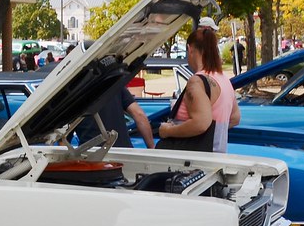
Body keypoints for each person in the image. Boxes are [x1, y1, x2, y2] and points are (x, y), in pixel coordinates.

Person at [158, 24, 240, 152]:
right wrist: (214, 134)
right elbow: (235, 118)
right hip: (218, 157)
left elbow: (201, 123)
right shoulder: (224, 79)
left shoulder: (196, 82)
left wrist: (167, 131)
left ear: (190, 49)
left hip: (193, 162)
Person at [75, 86, 156, 149]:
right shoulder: (114, 84)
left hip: (90, 154)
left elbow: (63, 141)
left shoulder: (71, 91)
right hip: (123, 151)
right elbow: (139, 114)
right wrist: (151, 147)